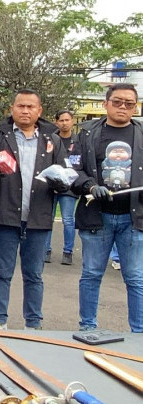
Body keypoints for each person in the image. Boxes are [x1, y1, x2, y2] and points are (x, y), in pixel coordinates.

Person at [0, 89, 68, 330]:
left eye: (31, 107)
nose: (25, 111)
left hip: (38, 216)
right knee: (2, 272)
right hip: (5, 214)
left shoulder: (52, 140)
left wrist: (61, 182)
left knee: (34, 274)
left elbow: (64, 173)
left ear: (39, 111)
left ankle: (34, 324)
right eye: (21, 106)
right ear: (12, 108)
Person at [72, 83, 143, 332]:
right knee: (91, 274)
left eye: (129, 103)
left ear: (135, 106)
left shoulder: (141, 133)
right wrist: (90, 186)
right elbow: (74, 169)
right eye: (117, 102)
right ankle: (87, 327)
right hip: (96, 217)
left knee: (136, 278)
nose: (123, 107)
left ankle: (139, 332)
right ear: (106, 103)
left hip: (134, 219)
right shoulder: (87, 133)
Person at [45, 110, 81, 265]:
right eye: (61, 120)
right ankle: (46, 250)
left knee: (68, 219)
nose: (65, 123)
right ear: (56, 122)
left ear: (72, 121)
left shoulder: (78, 141)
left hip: (69, 187)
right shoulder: (50, 139)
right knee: (47, 218)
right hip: (51, 185)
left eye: (67, 120)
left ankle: (68, 251)